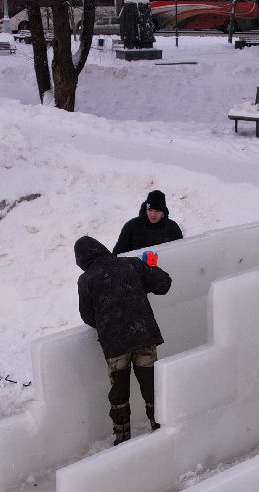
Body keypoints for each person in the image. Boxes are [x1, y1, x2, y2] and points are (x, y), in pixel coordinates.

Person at [75, 235, 172, 445]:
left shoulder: (86, 279)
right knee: (152, 386)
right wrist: (152, 266)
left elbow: (86, 314)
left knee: (119, 393)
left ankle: (122, 438)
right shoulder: (132, 264)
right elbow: (163, 285)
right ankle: (161, 429)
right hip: (143, 336)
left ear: (81, 260)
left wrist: (107, 325)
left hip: (115, 345)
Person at [113, 190, 183, 256]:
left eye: (157, 211)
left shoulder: (172, 228)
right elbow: (117, 255)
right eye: (150, 210)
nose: (153, 215)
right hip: (136, 268)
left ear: (163, 212)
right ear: (146, 209)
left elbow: (180, 253)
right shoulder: (132, 226)